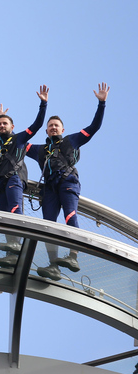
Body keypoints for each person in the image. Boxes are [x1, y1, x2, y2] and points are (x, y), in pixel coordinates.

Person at [26, 83, 110, 280]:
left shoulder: (72, 140)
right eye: (50, 126)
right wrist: (3, 123)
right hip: (49, 189)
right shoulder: (39, 150)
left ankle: (73, 256)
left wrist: (101, 104)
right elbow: (18, 143)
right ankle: (53, 265)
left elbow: (94, 127)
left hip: (67, 182)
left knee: (70, 216)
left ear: (62, 129)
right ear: (46, 131)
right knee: (48, 226)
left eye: (56, 125)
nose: (53, 127)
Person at [0, 86, 49, 267]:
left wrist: (43, 104)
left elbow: (37, 125)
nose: (2, 126)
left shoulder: (19, 139)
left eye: (5, 123)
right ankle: (11, 253)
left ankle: (17, 246)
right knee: (5, 218)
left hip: (14, 179)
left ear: (12, 127)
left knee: (15, 211)